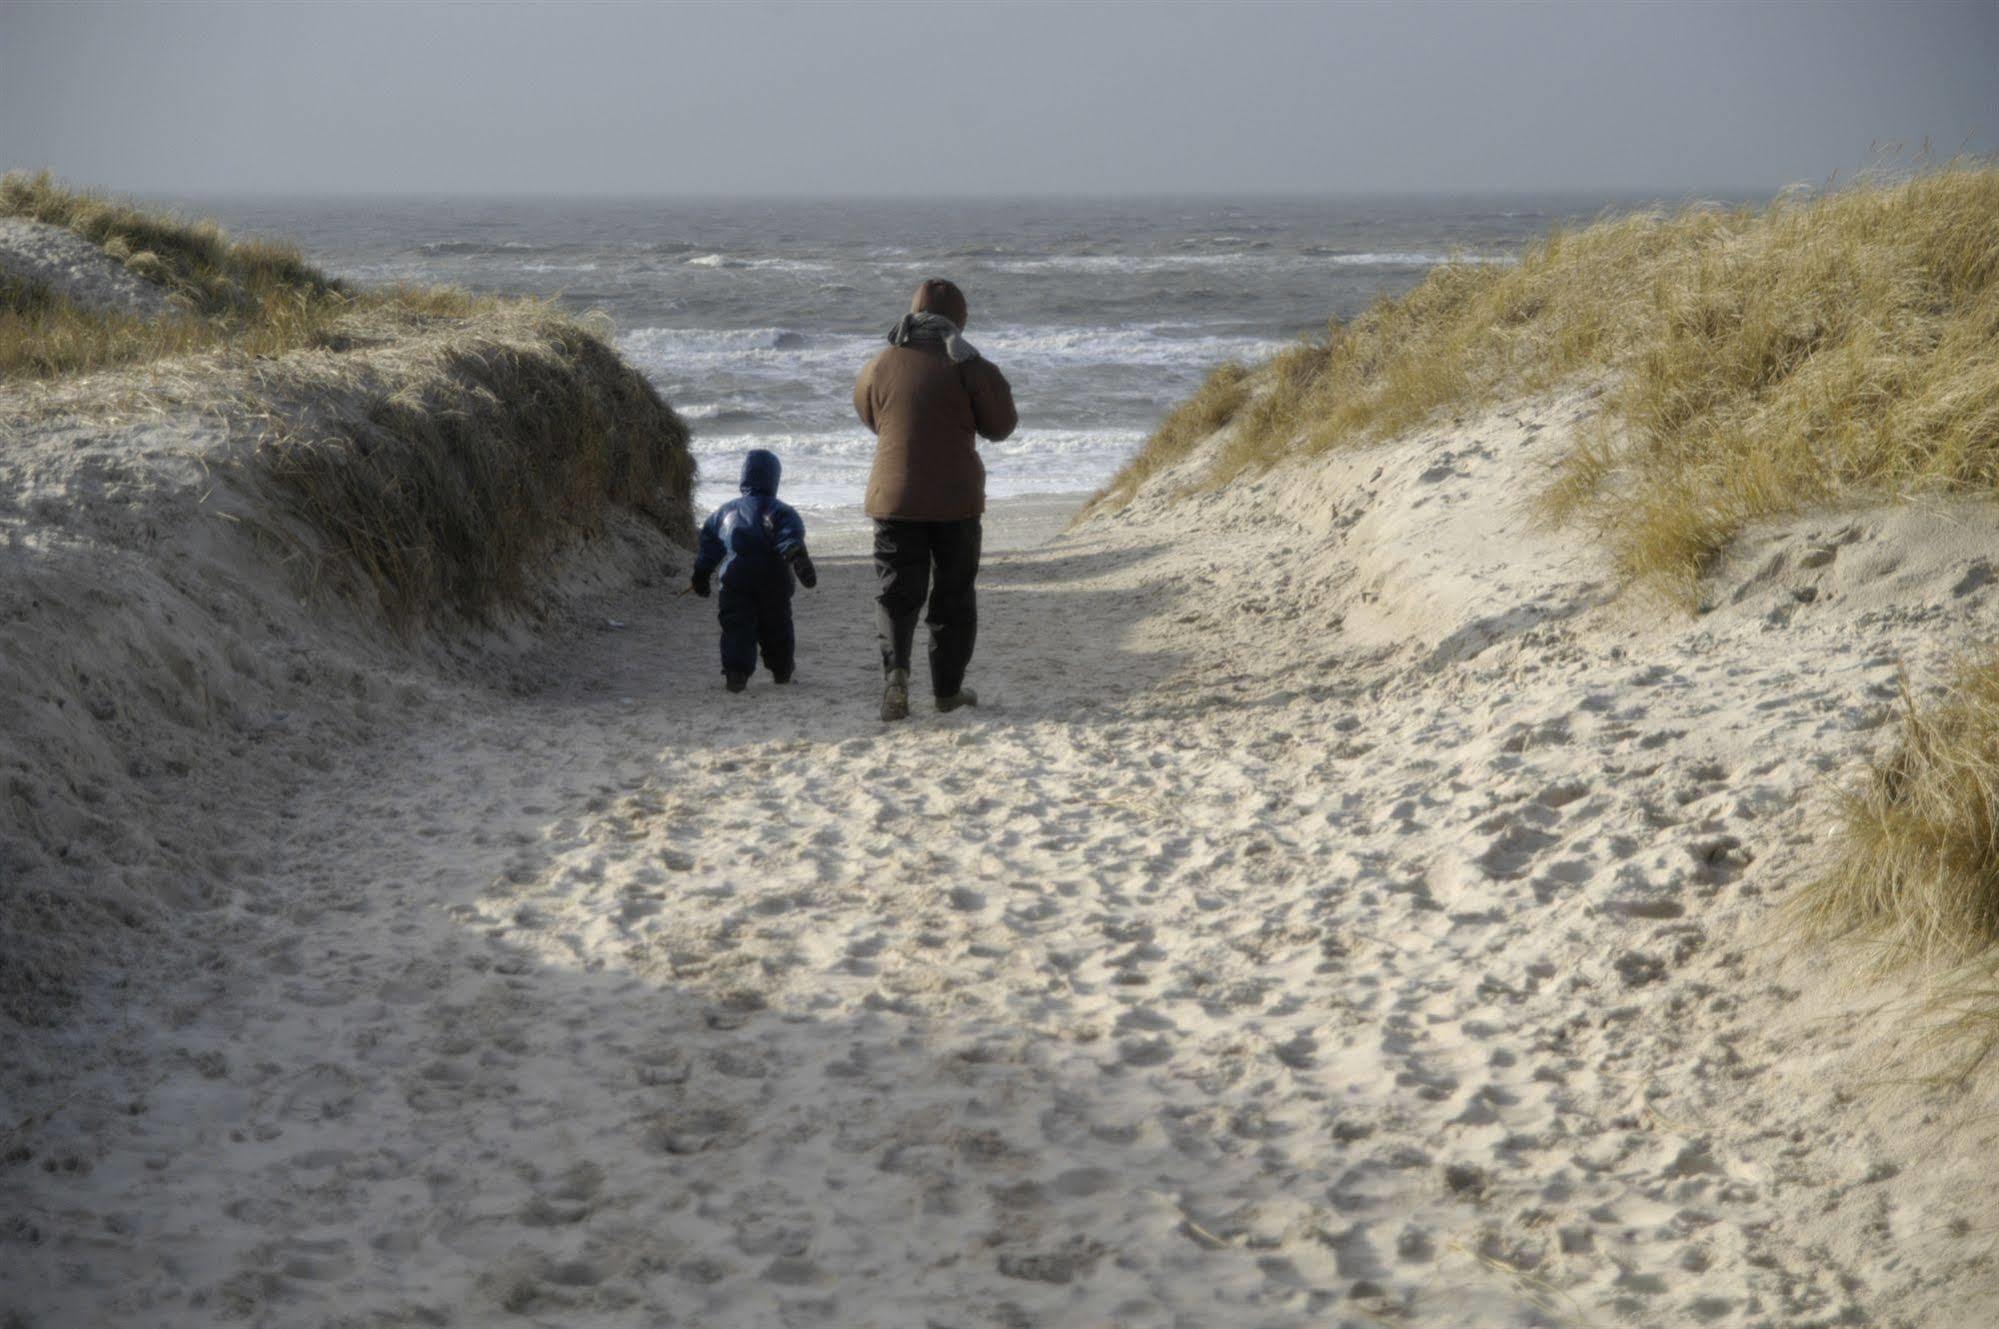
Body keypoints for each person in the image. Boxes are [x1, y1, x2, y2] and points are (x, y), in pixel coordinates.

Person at [852, 278, 1018, 721]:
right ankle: (947, 692)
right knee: (953, 597)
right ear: (958, 317)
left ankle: (896, 676)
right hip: (956, 503)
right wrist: (976, 366)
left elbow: (871, 416)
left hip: (894, 498)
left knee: (896, 594)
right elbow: (1001, 426)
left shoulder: (881, 362)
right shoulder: (968, 364)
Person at [690, 449, 817, 692]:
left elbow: (710, 546)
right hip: (774, 578)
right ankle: (782, 669)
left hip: (736, 578)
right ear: (774, 478)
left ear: (744, 477)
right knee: (777, 625)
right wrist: (794, 552)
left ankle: (736, 674)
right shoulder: (781, 511)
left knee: (737, 625)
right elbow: (789, 532)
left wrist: (701, 574)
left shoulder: (725, 512)